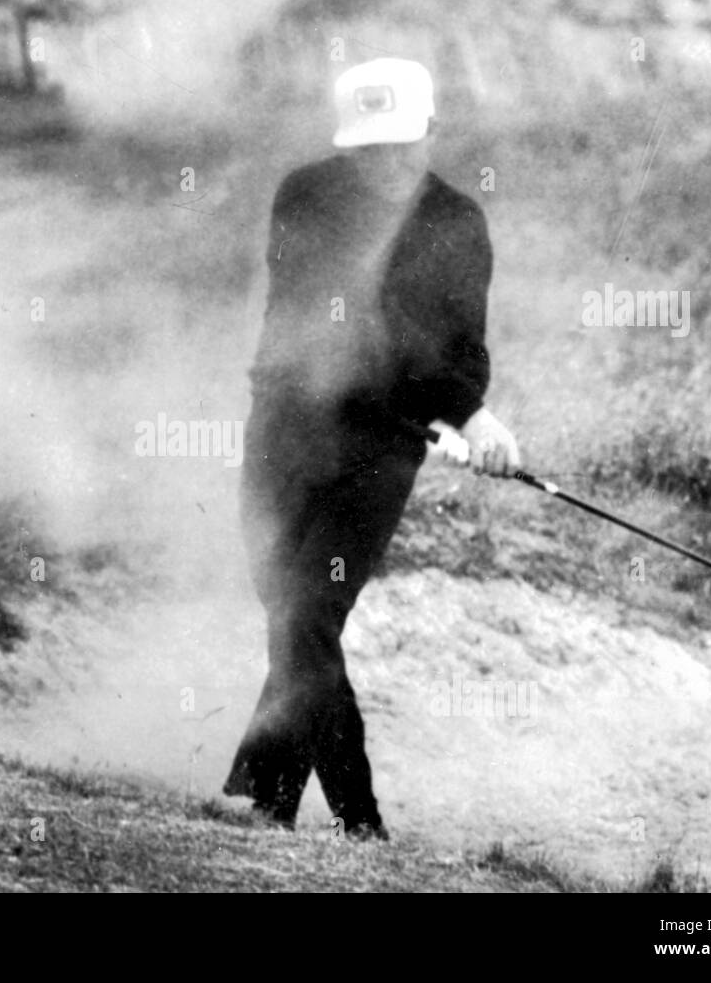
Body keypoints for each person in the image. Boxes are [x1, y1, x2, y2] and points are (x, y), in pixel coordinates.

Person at [223, 58, 521, 839]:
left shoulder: (457, 224)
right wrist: (469, 414)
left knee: (307, 612)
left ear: (428, 132)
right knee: (285, 609)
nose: (385, 164)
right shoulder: (306, 196)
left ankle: (343, 819)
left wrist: (472, 414)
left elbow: (463, 350)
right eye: (368, 149)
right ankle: (296, 810)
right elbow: (348, 311)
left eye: (399, 146)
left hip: (376, 450)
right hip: (286, 426)